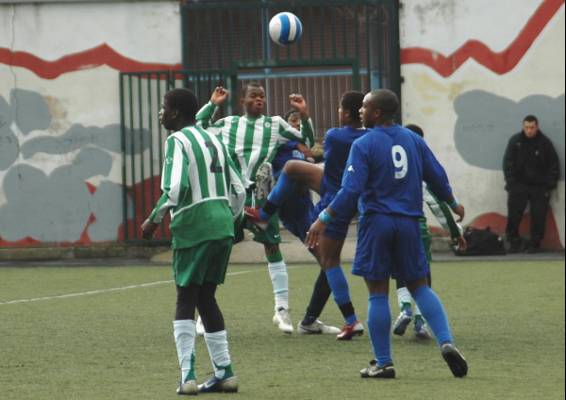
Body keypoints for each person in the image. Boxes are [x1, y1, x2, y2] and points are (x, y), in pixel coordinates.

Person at [306, 89, 468, 379]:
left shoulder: (364, 143)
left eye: (365, 107)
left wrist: (323, 218)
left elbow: (351, 190)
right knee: (420, 287)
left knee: (377, 292)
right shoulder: (413, 140)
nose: (360, 111)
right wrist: (453, 203)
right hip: (409, 223)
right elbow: (436, 174)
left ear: (376, 112)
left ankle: (383, 362)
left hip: (377, 223)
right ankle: (446, 342)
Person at [141, 88, 245, 394]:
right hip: (223, 223)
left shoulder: (176, 140)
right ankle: (225, 372)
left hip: (195, 225)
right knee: (206, 297)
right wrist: (234, 221)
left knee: (185, 298)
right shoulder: (214, 138)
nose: (160, 114)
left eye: (163, 108)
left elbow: (175, 188)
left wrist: (153, 219)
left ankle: (187, 376)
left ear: (174, 113)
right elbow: (238, 188)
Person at [247, 91, 368, 339]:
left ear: (346, 113)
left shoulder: (334, 137)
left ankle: (339, 319)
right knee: (292, 169)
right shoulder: (278, 144)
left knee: (328, 263)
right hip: (305, 203)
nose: (294, 128)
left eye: (297, 124)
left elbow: (315, 150)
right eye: (291, 123)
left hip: (330, 197)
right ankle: (263, 214)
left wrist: (305, 120)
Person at [196, 83, 315, 334]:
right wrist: (213, 104)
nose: (259, 99)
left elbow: (306, 140)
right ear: (243, 101)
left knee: (272, 246)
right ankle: (204, 312)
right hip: (231, 197)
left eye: (262, 96)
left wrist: (304, 114)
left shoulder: (275, 125)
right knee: (219, 246)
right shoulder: (229, 124)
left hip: (261, 198)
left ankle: (281, 310)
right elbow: (199, 127)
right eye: (254, 96)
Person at [393, 124, 466, 340]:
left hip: (389, 225)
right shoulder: (420, 169)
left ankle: (405, 307)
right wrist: (455, 232)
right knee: (422, 273)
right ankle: (419, 321)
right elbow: (437, 204)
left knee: (398, 269)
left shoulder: (390, 163)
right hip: (417, 227)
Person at [503, 115, 560, 253]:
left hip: (539, 187)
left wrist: (549, 185)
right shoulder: (515, 141)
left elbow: (554, 165)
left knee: (538, 215)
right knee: (514, 214)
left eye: (532, 127)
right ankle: (513, 241)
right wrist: (511, 183)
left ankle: (534, 243)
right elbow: (507, 163)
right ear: (523, 127)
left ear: (537, 127)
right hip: (518, 185)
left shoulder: (545, 143)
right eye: (527, 127)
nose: (529, 130)